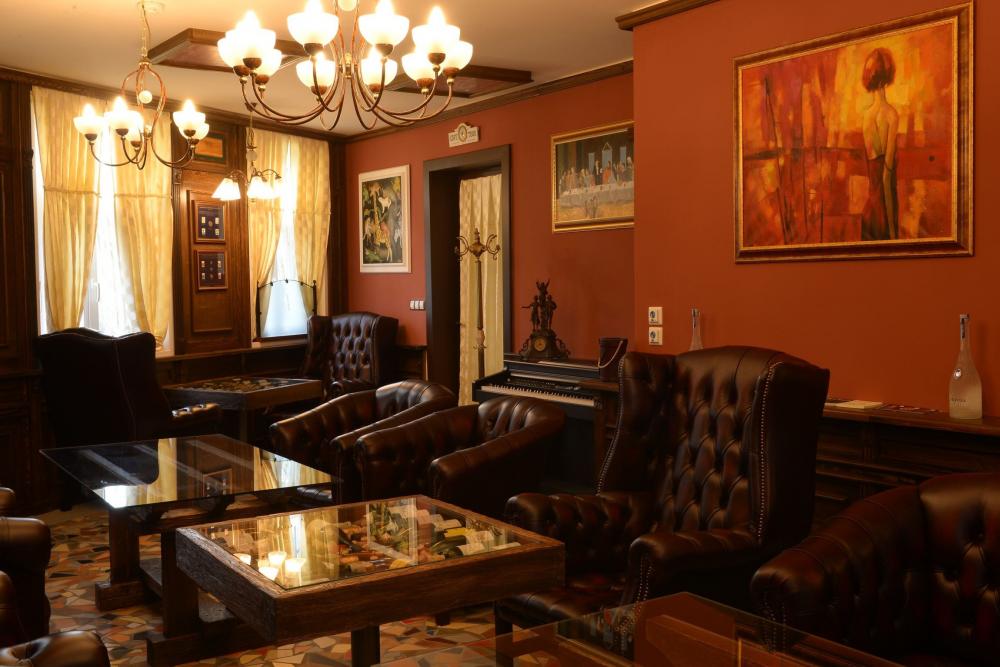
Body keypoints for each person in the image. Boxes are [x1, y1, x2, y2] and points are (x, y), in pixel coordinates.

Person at [861, 47, 899, 241]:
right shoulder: (891, 115)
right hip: (885, 209)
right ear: (887, 77)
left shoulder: (866, 117)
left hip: (870, 210)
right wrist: (892, 231)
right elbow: (886, 178)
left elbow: (873, 169)